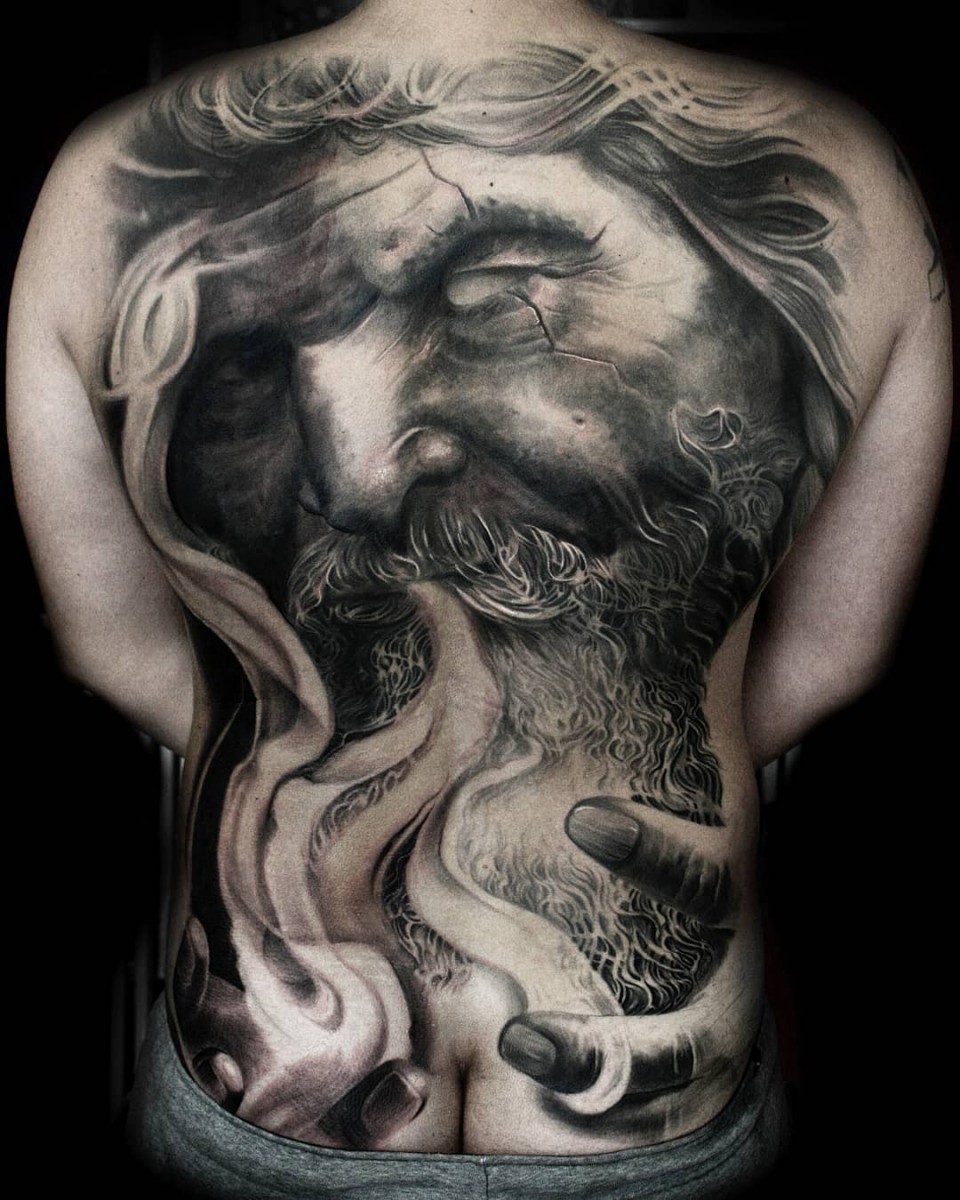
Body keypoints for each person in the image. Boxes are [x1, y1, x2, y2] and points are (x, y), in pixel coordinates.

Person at [7, 1, 951, 1196]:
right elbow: (825, 651)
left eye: (497, 293)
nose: (353, 483)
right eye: (248, 361)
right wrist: (640, 709)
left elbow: (123, 649)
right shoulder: (852, 174)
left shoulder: (102, 182)